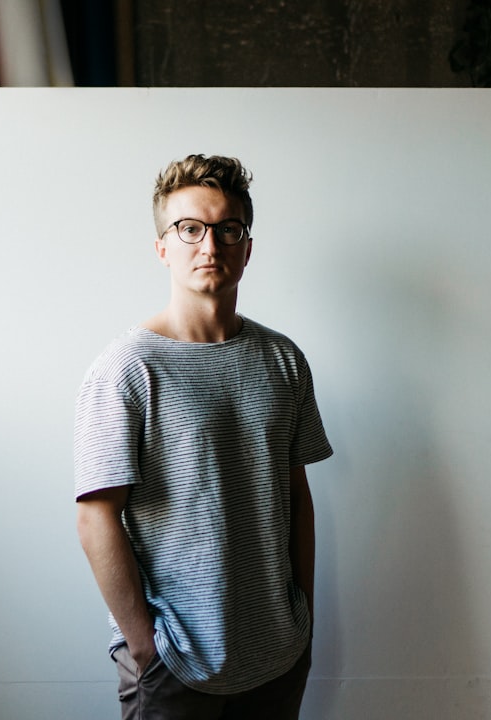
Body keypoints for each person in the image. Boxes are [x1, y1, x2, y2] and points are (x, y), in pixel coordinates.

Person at [73, 153, 333, 719]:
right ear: (162, 246)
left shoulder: (283, 360)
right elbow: (96, 516)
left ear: (247, 246)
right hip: (174, 663)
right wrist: (146, 648)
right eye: (190, 229)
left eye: (227, 229)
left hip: (277, 656)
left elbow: (296, 497)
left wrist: (302, 620)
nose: (209, 246)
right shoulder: (126, 368)